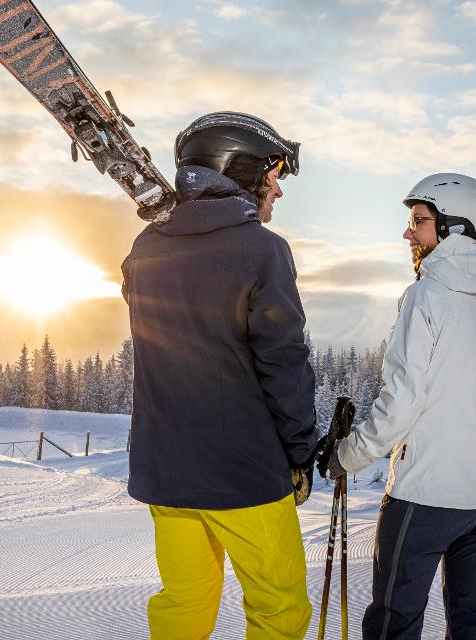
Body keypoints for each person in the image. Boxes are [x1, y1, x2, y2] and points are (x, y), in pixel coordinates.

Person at [322, 173, 476, 639]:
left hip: (425, 499)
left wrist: (345, 456)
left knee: (396, 624)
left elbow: (400, 403)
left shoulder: (425, 296)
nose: (408, 233)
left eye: (418, 221)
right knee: (471, 626)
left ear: (456, 228)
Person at [121, 112, 317, 640]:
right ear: (244, 169)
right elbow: (283, 360)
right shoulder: (261, 249)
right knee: (279, 608)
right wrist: (300, 451)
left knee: (184, 601)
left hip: (166, 471)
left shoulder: (145, 248)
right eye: (274, 174)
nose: (278, 189)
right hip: (243, 474)